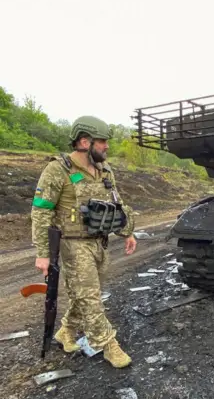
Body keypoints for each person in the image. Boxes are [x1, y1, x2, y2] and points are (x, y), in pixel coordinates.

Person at [31, 115, 137, 368]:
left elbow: (117, 204)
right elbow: (41, 210)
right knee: (90, 297)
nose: (107, 147)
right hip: (72, 244)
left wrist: (127, 232)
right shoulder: (58, 170)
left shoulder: (105, 170)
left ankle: (66, 331)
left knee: (86, 293)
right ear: (84, 141)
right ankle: (108, 344)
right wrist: (43, 253)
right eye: (102, 142)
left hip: (99, 242)